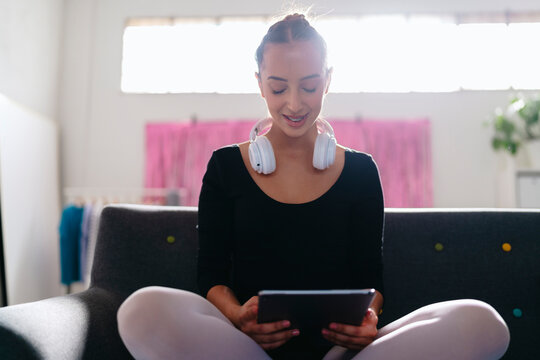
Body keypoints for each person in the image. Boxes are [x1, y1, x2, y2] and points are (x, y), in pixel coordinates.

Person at [117, 13, 510, 360]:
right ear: (259, 83)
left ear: (328, 80)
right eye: (277, 88)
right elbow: (211, 277)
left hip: (344, 352)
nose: (293, 104)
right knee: (140, 311)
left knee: (481, 323)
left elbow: (371, 279)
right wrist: (239, 317)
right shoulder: (225, 167)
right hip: (247, 348)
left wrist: (368, 319)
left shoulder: (360, 171)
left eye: (308, 86)